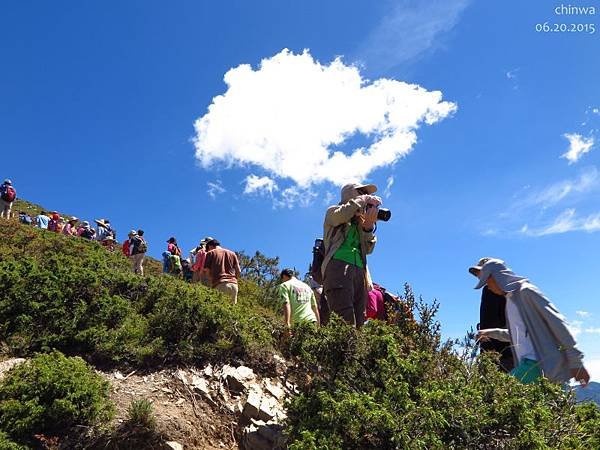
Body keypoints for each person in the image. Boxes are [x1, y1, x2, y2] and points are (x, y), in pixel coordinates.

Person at [473, 258, 590, 386]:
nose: (488, 287)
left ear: (497, 276)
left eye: (487, 282)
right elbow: (518, 336)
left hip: (538, 364)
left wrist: (576, 363)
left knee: (500, 394)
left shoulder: (526, 292)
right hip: (527, 365)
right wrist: (489, 333)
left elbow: (557, 323)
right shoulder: (511, 301)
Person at [321, 183, 381, 327]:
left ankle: (356, 348)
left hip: (360, 271)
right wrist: (362, 201)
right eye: (361, 192)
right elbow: (339, 217)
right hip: (338, 266)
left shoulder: (360, 221)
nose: (366, 196)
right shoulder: (333, 211)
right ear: (349, 194)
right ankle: (345, 349)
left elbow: (368, 249)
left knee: (360, 318)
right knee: (344, 318)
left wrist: (368, 228)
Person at [469, 257, 515, 372]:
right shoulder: (508, 291)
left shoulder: (490, 291)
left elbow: (491, 322)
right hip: (507, 351)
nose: (479, 277)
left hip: (498, 354)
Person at [202, 239, 241, 304]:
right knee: (232, 311)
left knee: (219, 311)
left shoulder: (210, 253)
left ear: (210, 246)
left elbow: (207, 271)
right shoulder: (232, 253)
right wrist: (234, 279)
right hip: (234, 285)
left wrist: (211, 280)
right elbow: (239, 270)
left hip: (220, 284)